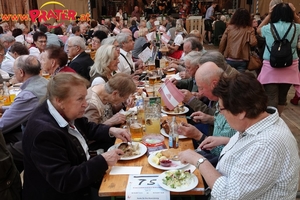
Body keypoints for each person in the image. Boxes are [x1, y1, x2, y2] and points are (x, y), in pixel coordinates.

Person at [178, 72, 300, 199]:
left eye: (221, 109)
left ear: (241, 112)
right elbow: (250, 145)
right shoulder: (261, 120)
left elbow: (228, 195)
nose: (220, 114)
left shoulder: (266, 146)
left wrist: (198, 160)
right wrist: (226, 140)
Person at [22, 72, 131, 200]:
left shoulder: (64, 110)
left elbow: (87, 127)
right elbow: (64, 180)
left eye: (85, 97)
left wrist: (111, 130)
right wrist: (102, 161)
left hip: (82, 181)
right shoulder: (45, 133)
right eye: (80, 99)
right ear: (59, 100)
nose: (85, 103)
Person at [178, 62, 236, 166]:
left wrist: (198, 136)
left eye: (201, 88)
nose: (199, 93)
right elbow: (221, 123)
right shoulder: (223, 95)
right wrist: (209, 118)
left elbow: (222, 154)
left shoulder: (231, 104)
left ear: (214, 84)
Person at [3, 55, 48, 172]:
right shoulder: (44, 82)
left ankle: (13, 185)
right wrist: (3, 109)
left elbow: (2, 125)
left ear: (21, 72)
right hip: (45, 132)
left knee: (3, 150)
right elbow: (19, 110)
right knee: (6, 136)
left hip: (42, 141)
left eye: (14, 71)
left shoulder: (28, 94)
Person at [256, 3, 300, 115]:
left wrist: (269, 15)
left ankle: (272, 121)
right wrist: (294, 13)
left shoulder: (268, 28)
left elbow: (258, 30)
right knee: (282, 97)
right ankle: (278, 118)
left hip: (271, 66)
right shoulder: (296, 27)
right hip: (290, 66)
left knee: (271, 96)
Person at [219, 8, 257, 72]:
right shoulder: (250, 29)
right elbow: (253, 43)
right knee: (239, 80)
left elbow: (222, 42)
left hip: (229, 57)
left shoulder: (229, 27)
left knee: (228, 78)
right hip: (242, 58)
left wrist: (220, 54)